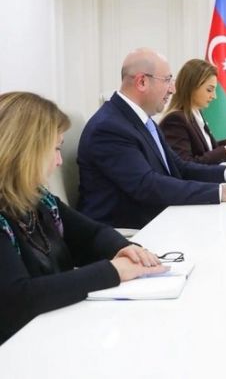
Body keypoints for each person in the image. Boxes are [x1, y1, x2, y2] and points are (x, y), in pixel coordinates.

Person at [0, 92, 168, 344]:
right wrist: (112, 272)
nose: (59, 161)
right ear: (25, 151)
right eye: (55, 149)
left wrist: (122, 248)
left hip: (52, 331)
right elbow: (18, 299)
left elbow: (91, 235)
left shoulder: (38, 199)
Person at [77, 48, 226, 230]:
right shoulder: (109, 127)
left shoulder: (142, 120)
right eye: (167, 80)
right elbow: (148, 186)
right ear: (142, 82)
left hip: (160, 218)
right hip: (132, 233)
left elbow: (180, 167)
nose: (173, 89)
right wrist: (222, 192)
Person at [160, 59, 226, 164]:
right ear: (191, 87)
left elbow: (203, 149)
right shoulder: (175, 120)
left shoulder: (195, 113)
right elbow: (186, 165)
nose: (214, 96)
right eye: (209, 90)